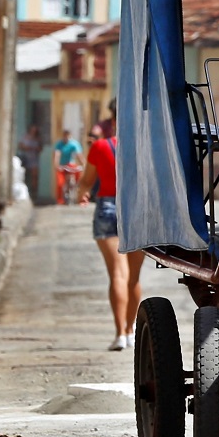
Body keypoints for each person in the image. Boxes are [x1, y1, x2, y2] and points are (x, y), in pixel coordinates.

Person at [80, 117, 142, 351]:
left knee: (117, 274)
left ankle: (120, 335)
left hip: (107, 207)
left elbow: (87, 181)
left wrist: (82, 194)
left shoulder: (100, 147)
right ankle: (131, 329)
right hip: (136, 209)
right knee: (133, 277)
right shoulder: (143, 147)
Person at [53, 128, 83, 205]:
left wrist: (83, 164)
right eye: (64, 136)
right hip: (62, 165)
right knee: (60, 183)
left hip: (70, 164)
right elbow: (57, 155)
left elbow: (79, 155)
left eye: (67, 136)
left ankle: (78, 194)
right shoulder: (59, 144)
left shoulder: (74, 144)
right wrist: (56, 165)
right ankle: (60, 200)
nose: (66, 138)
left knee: (78, 177)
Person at [18, 124, 43, 205]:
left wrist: (33, 148)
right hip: (25, 159)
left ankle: (33, 194)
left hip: (34, 159)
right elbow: (21, 146)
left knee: (34, 177)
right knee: (24, 176)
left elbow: (40, 148)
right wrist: (28, 148)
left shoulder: (37, 138)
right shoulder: (25, 137)